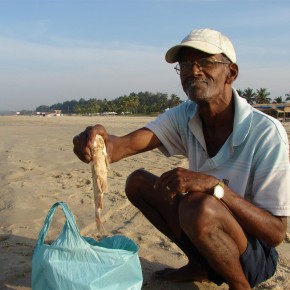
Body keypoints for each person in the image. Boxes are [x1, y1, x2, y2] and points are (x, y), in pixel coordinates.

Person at [73, 28, 290, 289]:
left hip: (254, 255)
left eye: (205, 62)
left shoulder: (265, 131)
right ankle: (200, 266)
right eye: (185, 64)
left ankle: (239, 285)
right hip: (206, 232)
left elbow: (276, 233)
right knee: (138, 183)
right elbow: (120, 147)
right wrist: (96, 143)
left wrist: (214, 186)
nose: (193, 71)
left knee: (198, 206)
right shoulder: (184, 116)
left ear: (230, 73)